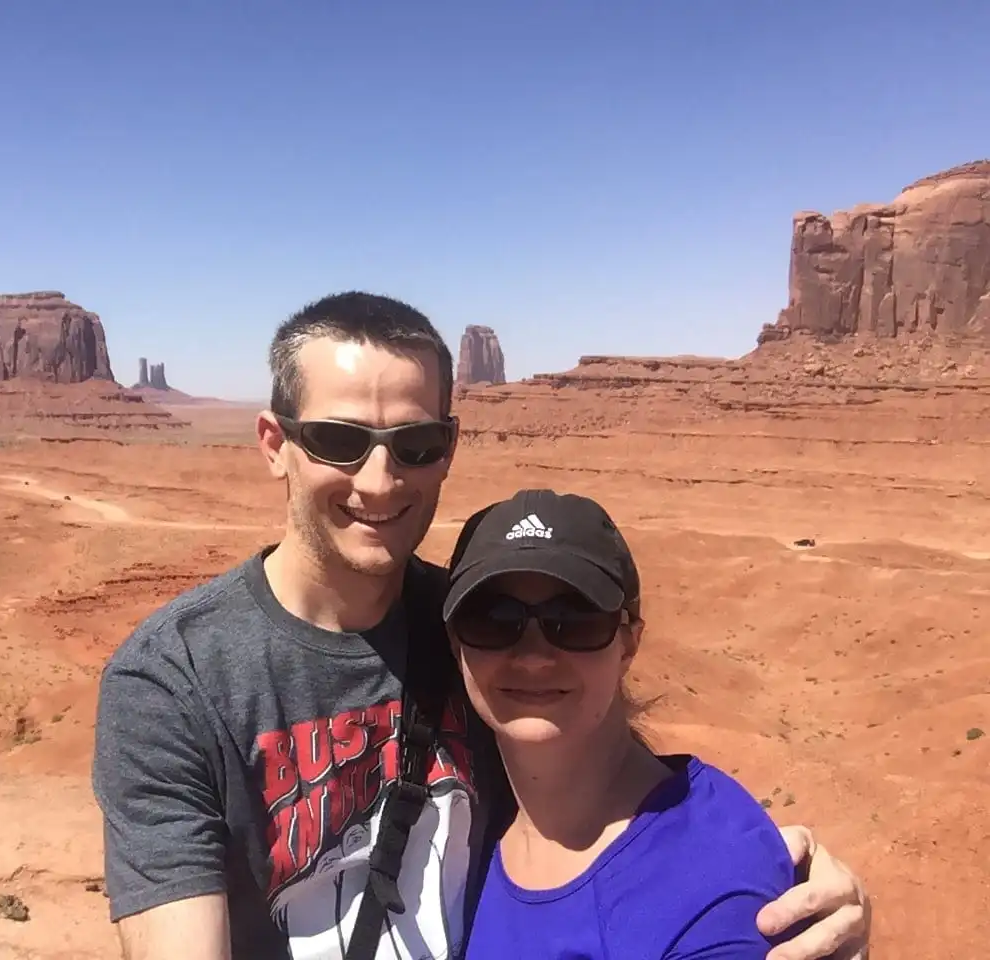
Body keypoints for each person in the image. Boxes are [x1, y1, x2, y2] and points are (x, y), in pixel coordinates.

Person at [92, 291, 871, 960]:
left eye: (415, 444)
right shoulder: (174, 681)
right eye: (337, 440)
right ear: (275, 444)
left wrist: (769, 873)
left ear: (449, 448)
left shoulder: (474, 624)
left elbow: (613, 790)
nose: (379, 480)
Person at [444, 487, 819, 958]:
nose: (534, 657)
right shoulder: (457, 827)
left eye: (573, 620)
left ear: (628, 643)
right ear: (455, 643)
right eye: (493, 620)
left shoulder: (712, 883)